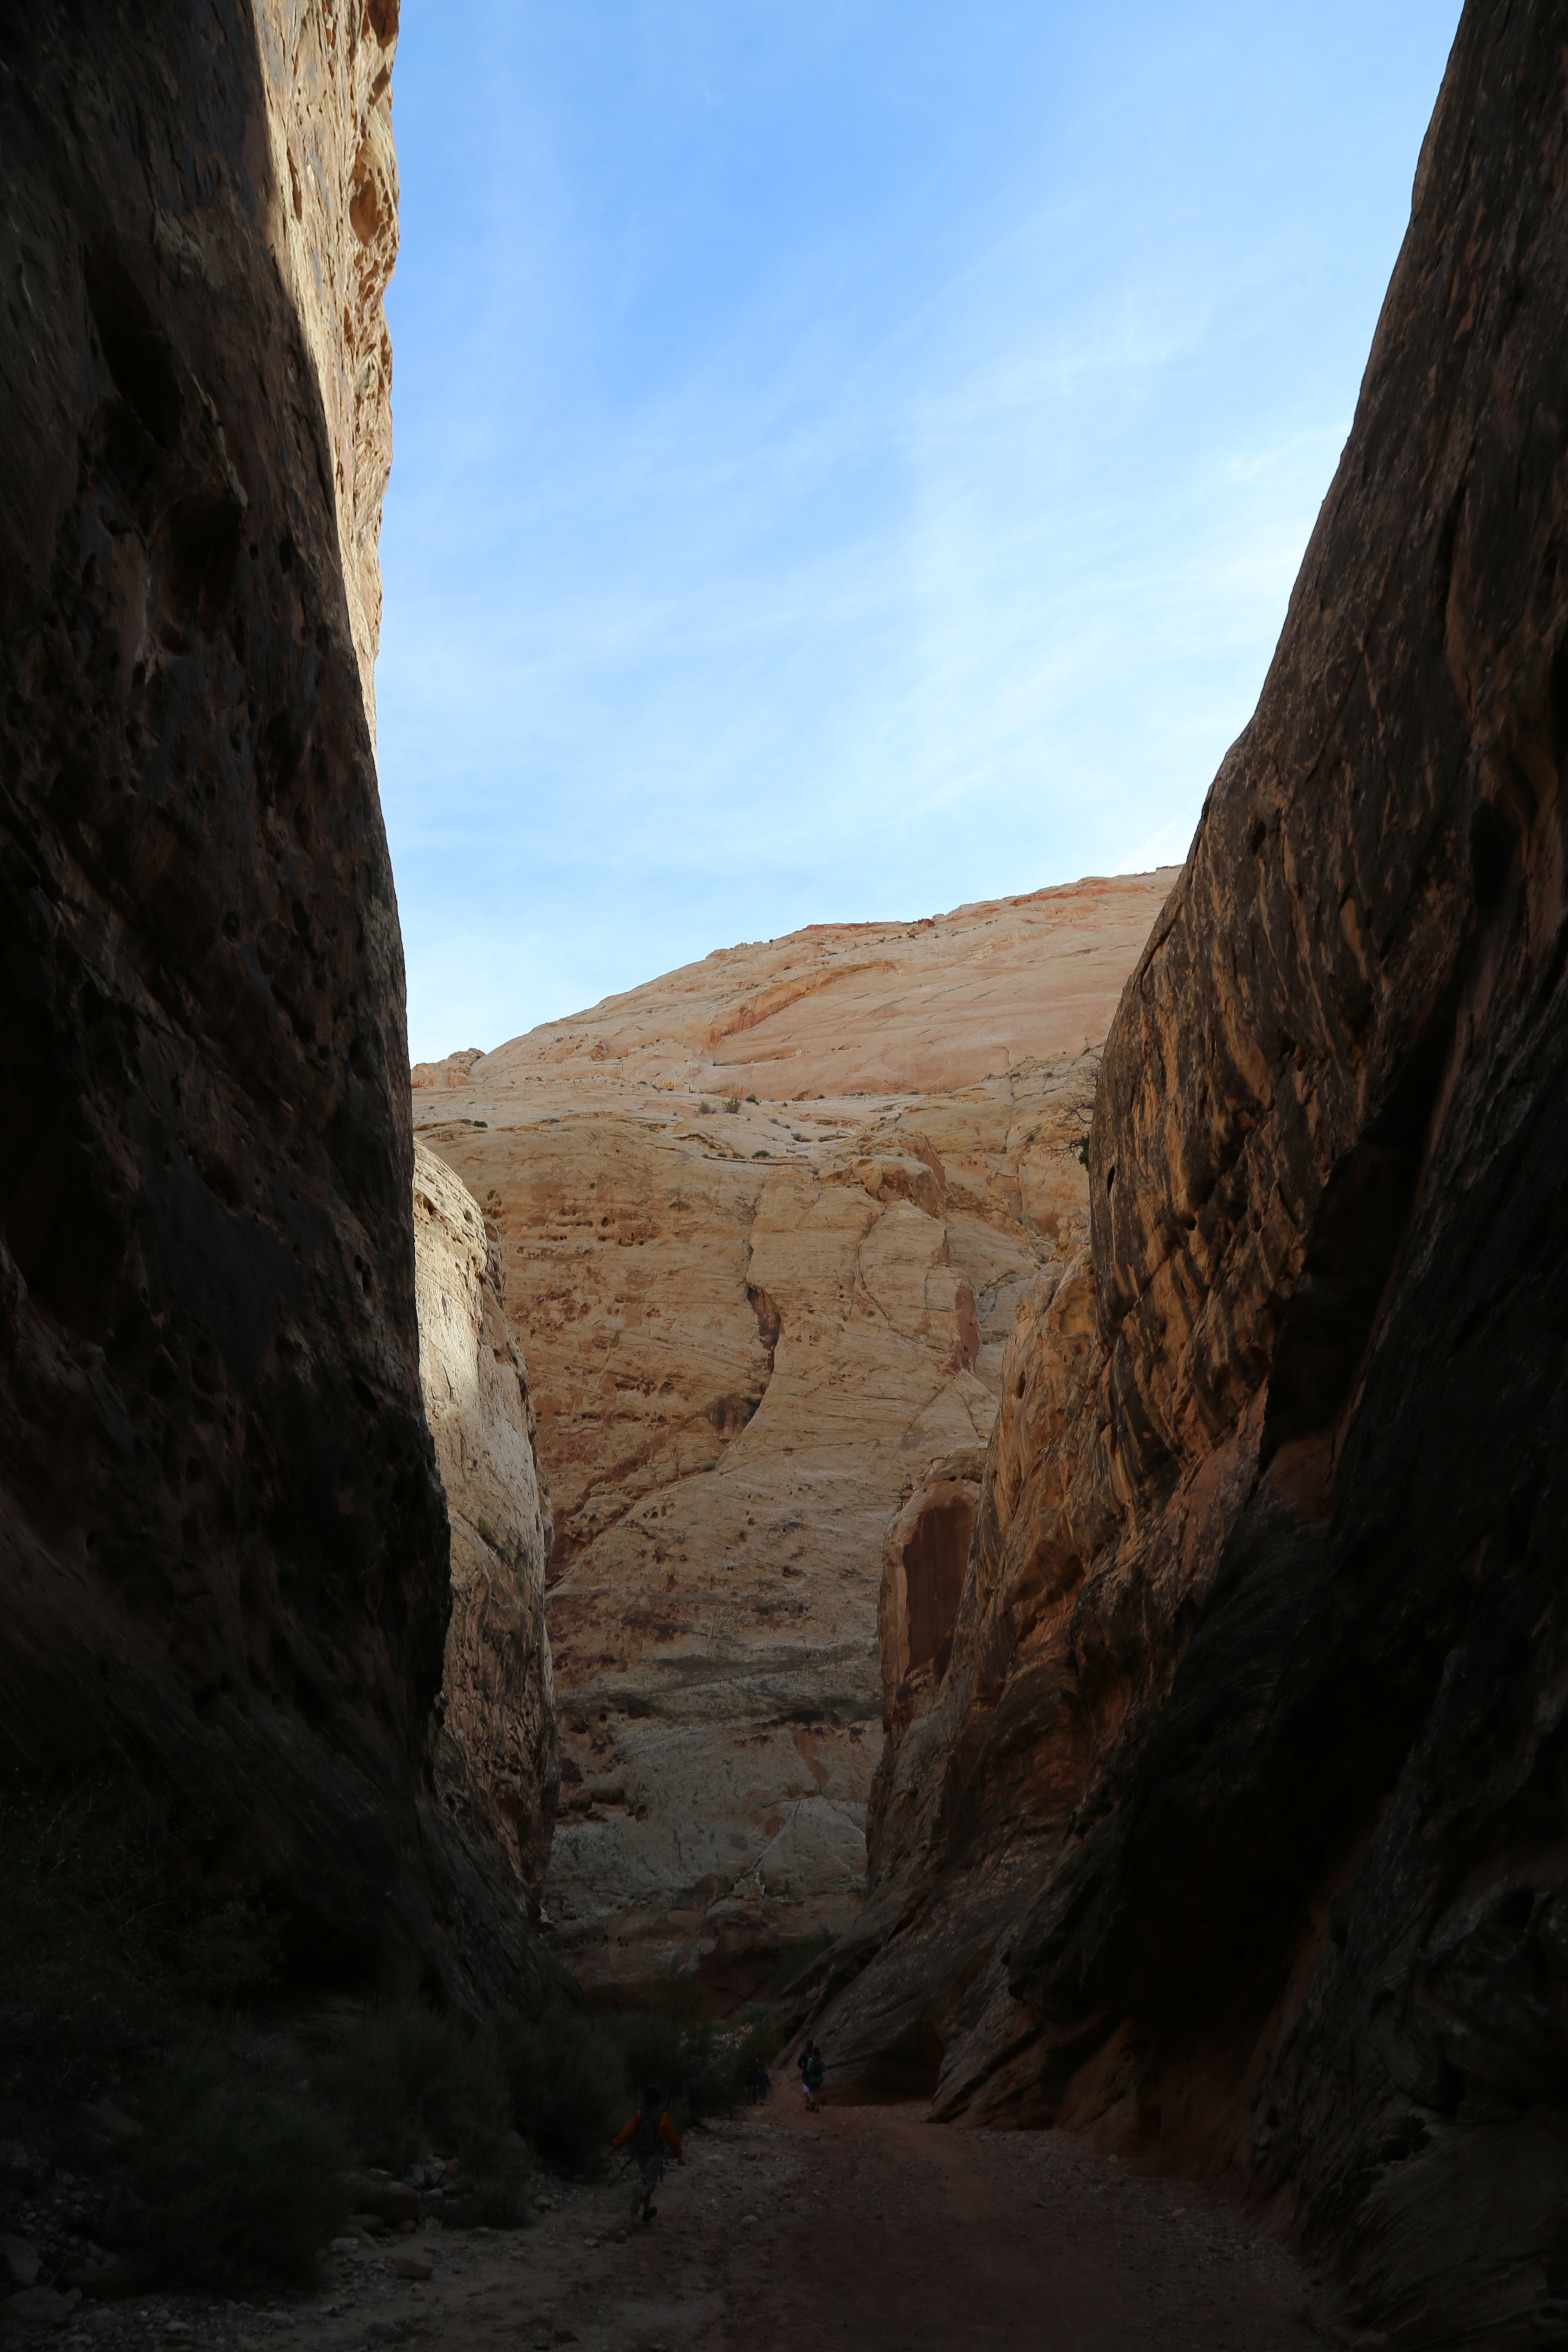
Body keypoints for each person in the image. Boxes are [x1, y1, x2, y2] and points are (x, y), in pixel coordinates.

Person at [611, 2084, 683, 2223]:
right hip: (654, 2155)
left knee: (646, 2179)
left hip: (640, 2154)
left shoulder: (640, 2113)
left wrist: (615, 2145)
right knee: (650, 2183)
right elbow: (672, 2138)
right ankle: (640, 2198)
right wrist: (679, 2155)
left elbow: (628, 2131)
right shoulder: (662, 2115)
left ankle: (647, 2211)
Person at [799, 2040, 825, 2111]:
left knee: (808, 2091)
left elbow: (804, 2066)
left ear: (807, 2045)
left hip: (809, 2076)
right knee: (816, 2093)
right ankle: (816, 2108)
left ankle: (811, 2102)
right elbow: (824, 2069)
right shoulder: (820, 2059)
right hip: (818, 2077)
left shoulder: (808, 2057)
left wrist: (803, 2068)